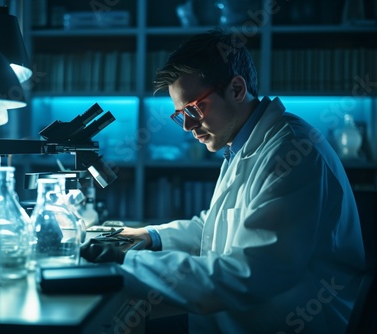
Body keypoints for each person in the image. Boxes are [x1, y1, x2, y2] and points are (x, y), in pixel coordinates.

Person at [80, 28, 368, 333]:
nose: (188, 126)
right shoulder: (244, 144)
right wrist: (149, 235)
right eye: (180, 114)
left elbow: (248, 275)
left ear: (236, 89)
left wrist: (122, 266)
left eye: (194, 108)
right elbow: (217, 226)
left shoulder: (292, 152)